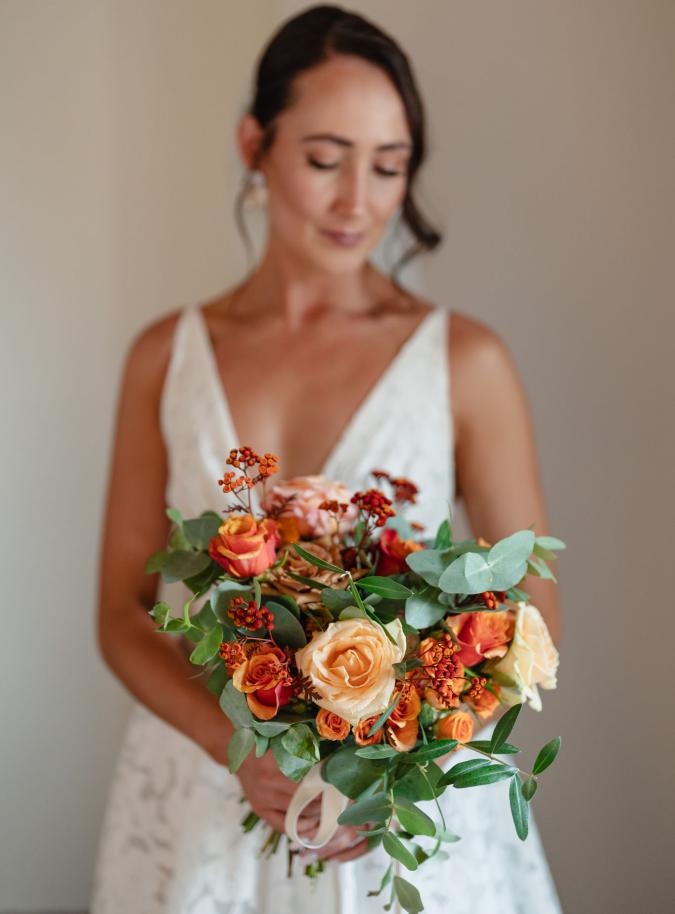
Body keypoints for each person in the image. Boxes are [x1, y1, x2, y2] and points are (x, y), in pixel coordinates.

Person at [92, 5, 563, 912]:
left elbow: (529, 613)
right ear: (253, 145)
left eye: (389, 167)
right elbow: (120, 609)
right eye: (324, 159)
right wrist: (232, 745)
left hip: (395, 821)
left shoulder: (464, 361)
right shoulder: (165, 355)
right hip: (203, 794)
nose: (359, 202)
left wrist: (388, 768)